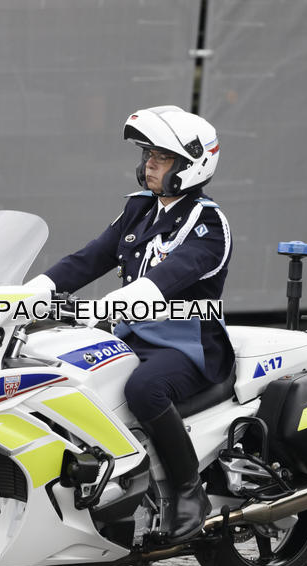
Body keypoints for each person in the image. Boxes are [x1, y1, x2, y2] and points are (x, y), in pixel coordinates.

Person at [29, 105, 234, 543]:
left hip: (186, 349)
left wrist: (113, 305)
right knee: (61, 372)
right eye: (148, 155)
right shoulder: (139, 210)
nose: (149, 165)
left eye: (161, 157)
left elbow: (168, 278)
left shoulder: (208, 224)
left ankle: (187, 491)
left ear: (191, 165)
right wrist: (31, 292)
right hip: (130, 336)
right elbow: (90, 258)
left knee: (145, 389)